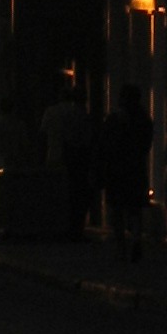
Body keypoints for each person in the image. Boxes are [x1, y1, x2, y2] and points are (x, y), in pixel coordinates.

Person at [98, 82, 153, 265]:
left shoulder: (114, 119)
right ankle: (136, 238)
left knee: (117, 209)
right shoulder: (144, 119)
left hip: (116, 168)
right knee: (135, 208)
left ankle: (121, 248)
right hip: (136, 167)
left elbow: (104, 144)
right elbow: (146, 144)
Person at [39, 72, 95, 241]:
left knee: (57, 192)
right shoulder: (77, 113)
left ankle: (58, 225)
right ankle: (74, 226)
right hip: (74, 157)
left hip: (54, 155)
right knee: (75, 192)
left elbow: (43, 134)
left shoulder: (51, 112)